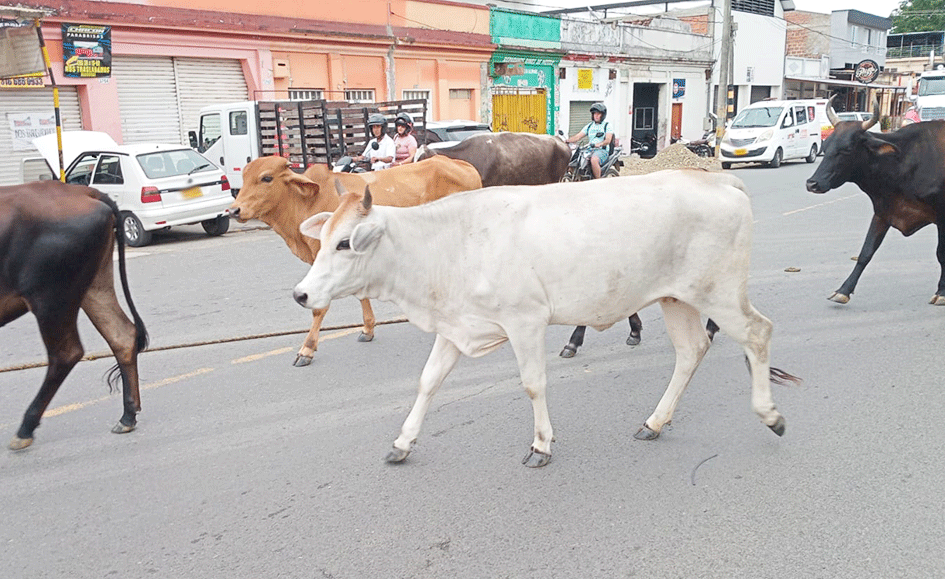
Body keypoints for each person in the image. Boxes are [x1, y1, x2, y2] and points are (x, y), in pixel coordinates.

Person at [567, 102, 613, 179]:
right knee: (573, 160)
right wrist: (567, 141)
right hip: (589, 150)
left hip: (602, 151)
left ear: (603, 115)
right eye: (595, 113)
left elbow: (608, 140)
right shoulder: (589, 126)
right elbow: (578, 136)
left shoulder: (607, 125)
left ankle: (598, 181)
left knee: (594, 160)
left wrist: (599, 144)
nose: (596, 116)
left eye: (598, 114)